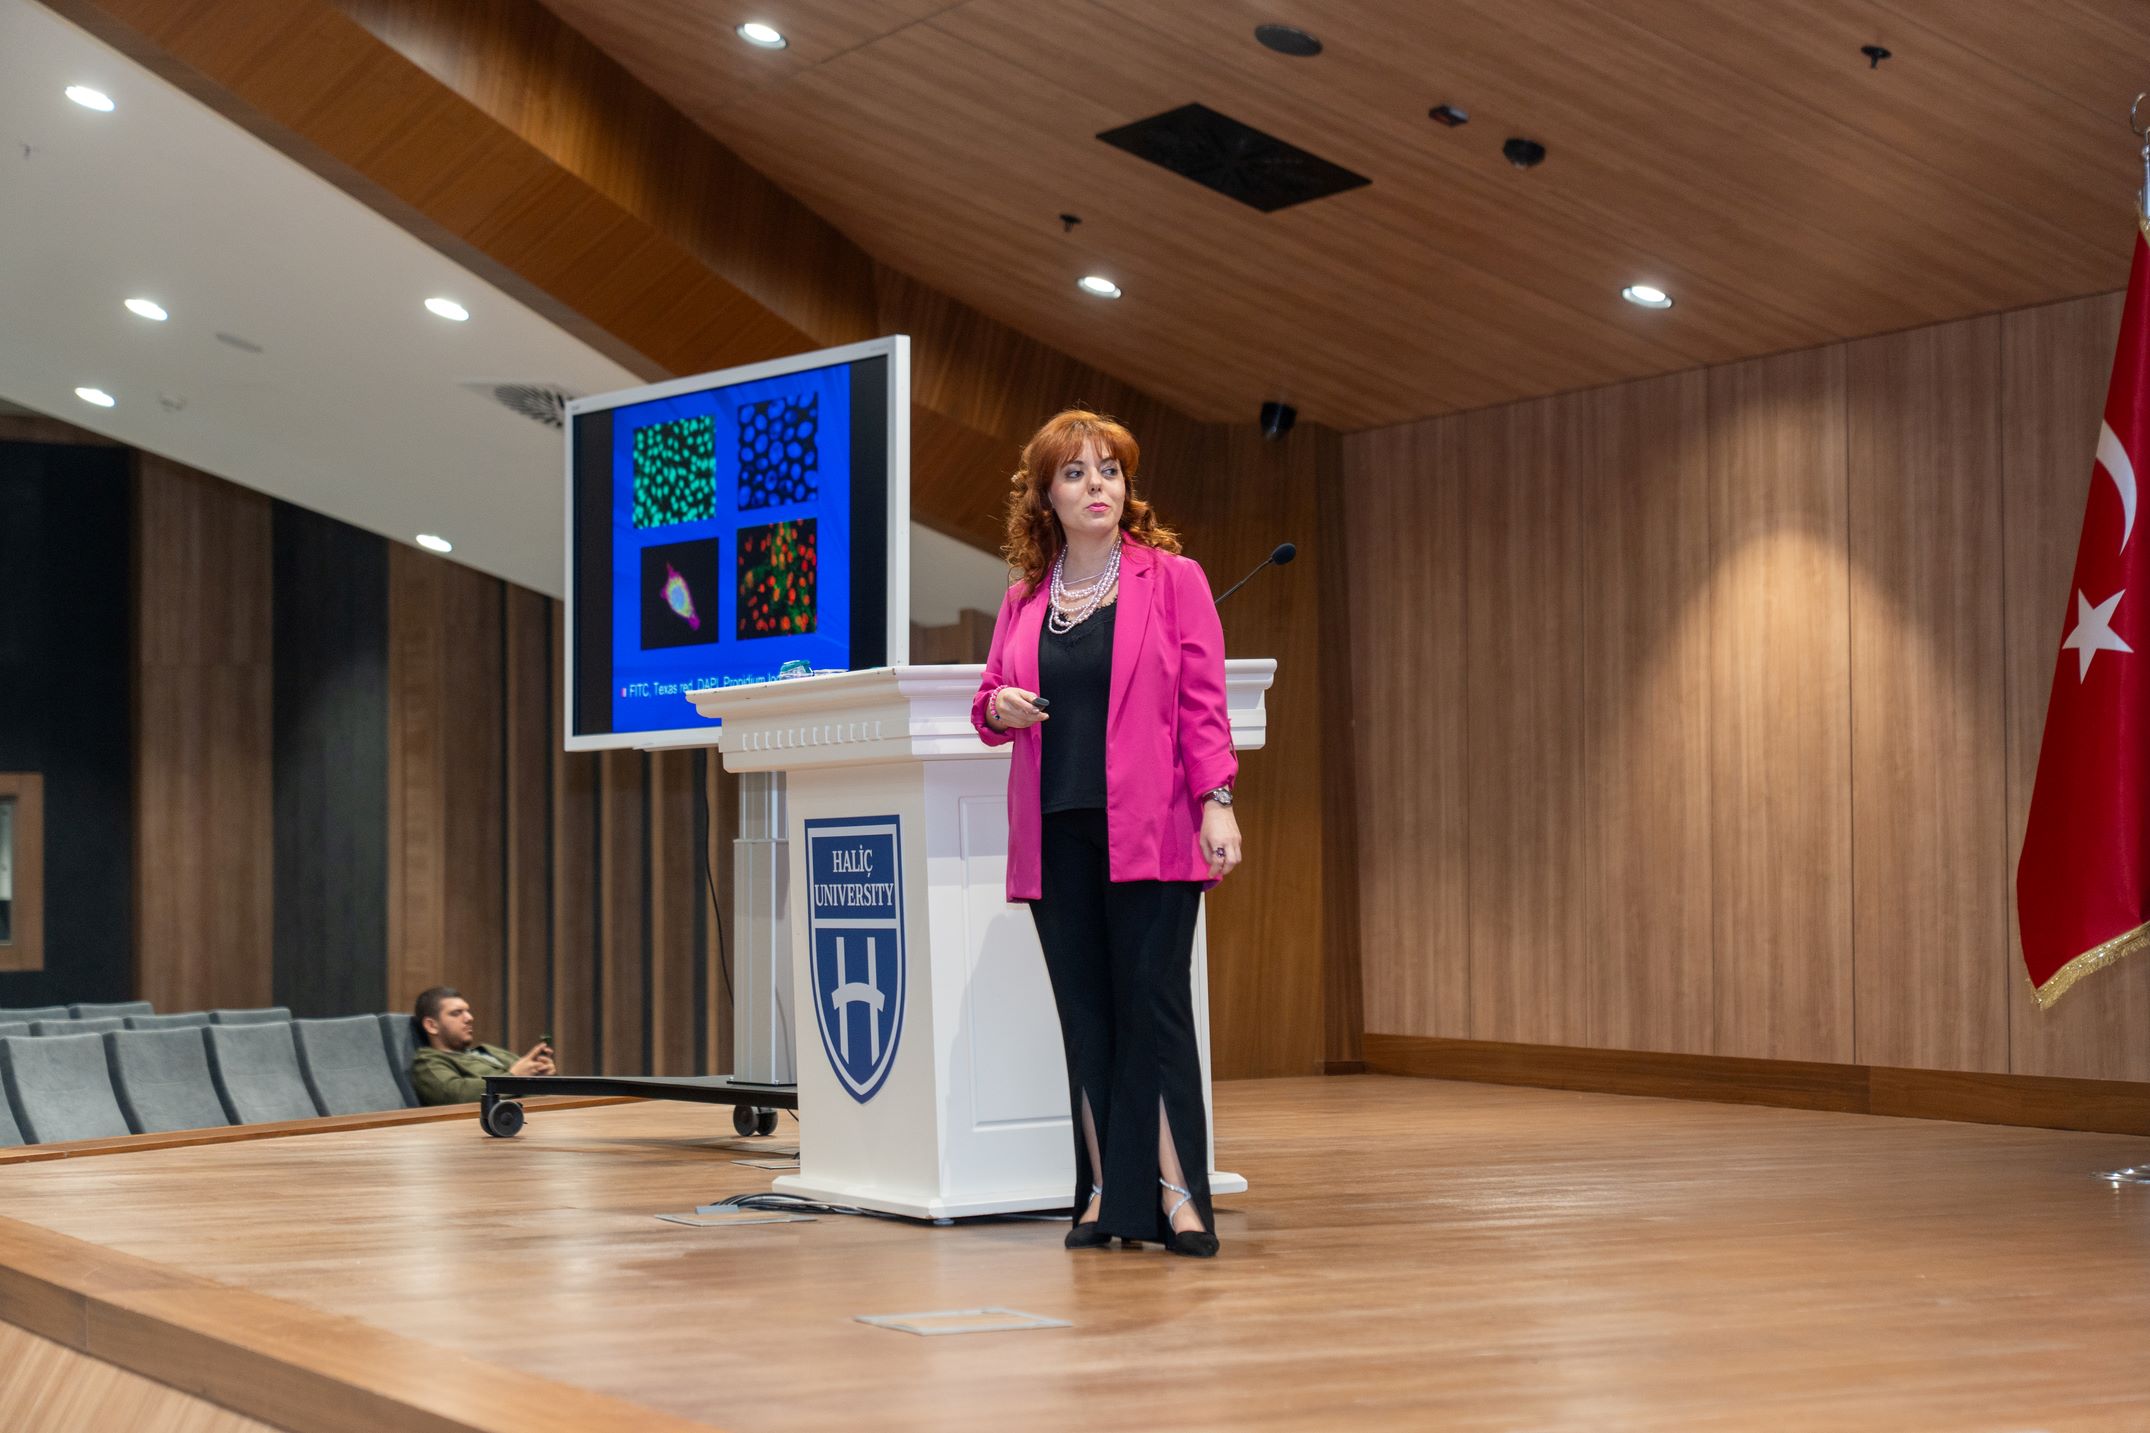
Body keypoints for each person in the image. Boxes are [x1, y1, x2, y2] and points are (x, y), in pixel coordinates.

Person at [972, 409, 1242, 1258]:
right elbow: (987, 700)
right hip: (1055, 830)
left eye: (1110, 470)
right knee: (1086, 1013)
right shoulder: (1024, 599)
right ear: (1046, 496)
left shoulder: (1174, 579)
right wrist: (998, 706)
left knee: (1152, 1010)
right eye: (1076, 472)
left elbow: (1203, 701)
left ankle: (1177, 1193)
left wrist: (1217, 798)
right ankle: (1097, 1191)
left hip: (1154, 828)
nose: (1098, 485)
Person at [409, 986, 554, 1106]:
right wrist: (513, 1078)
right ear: (432, 1025)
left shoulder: (489, 1051)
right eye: (456, 1013)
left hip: (553, 1107)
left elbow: (528, 1075)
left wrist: (546, 1076)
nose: (469, 1018)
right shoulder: (428, 1061)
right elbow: (454, 1094)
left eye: (467, 1011)